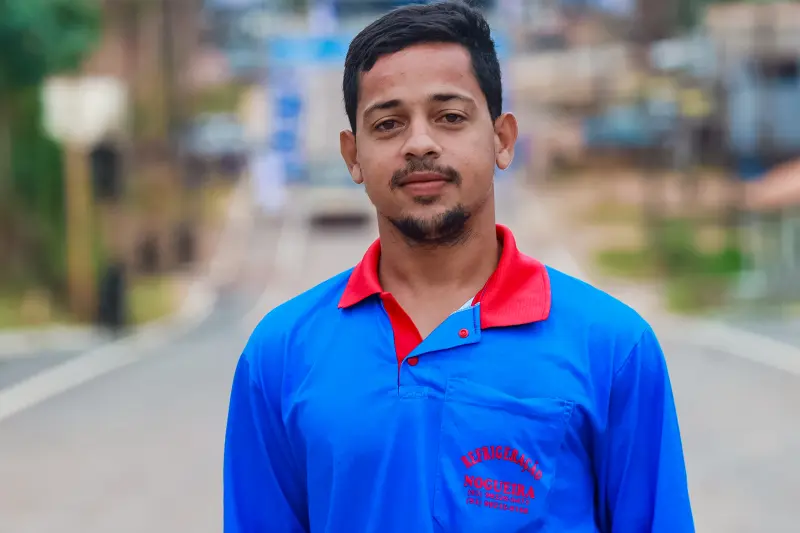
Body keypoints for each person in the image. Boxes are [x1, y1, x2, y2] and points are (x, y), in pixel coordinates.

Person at [222, 2, 695, 532]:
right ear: (352, 155)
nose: (419, 143)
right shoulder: (280, 355)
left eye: (450, 117)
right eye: (388, 123)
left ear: (502, 139)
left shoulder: (612, 349)